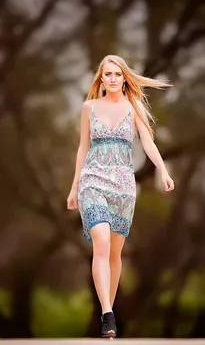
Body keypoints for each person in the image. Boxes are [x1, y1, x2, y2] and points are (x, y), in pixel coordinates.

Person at [66, 55, 175, 338]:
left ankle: (108, 308)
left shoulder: (133, 108)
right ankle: (107, 314)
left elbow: (148, 142)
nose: (112, 79)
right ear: (101, 79)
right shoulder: (88, 108)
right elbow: (82, 147)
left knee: (115, 253)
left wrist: (162, 170)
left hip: (124, 187)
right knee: (100, 241)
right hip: (93, 181)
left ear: (124, 78)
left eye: (117, 74)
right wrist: (74, 185)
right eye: (107, 74)